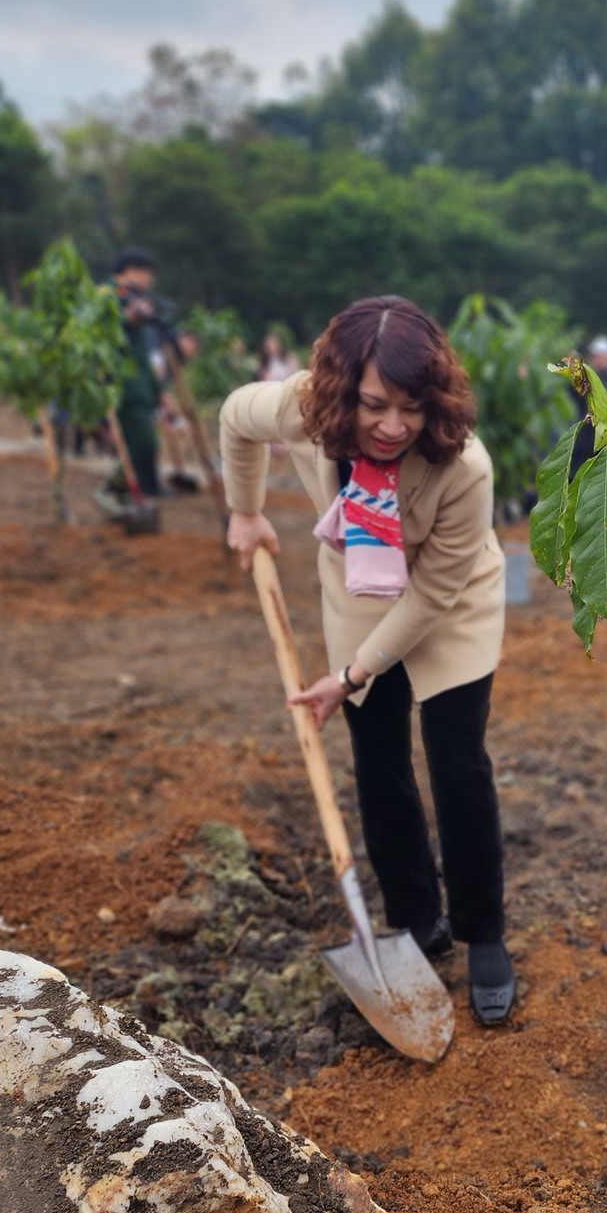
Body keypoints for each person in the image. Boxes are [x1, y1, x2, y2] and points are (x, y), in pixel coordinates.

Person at [220, 296, 515, 1023]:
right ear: (340, 391)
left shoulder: (463, 464)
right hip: (358, 593)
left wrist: (352, 675)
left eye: (411, 409)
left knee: (456, 764)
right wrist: (246, 508)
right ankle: (416, 919)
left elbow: (435, 594)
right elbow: (234, 417)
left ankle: (484, 933)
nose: (392, 427)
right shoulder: (301, 409)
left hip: (451, 605)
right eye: (374, 405)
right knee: (378, 761)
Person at [109, 247, 166, 497]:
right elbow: (99, 330)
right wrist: (126, 318)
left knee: (145, 443)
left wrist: (159, 389)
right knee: (143, 443)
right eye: (145, 274)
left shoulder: (138, 299)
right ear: (130, 271)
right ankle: (113, 486)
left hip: (141, 386)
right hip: (124, 386)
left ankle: (138, 488)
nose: (149, 281)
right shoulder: (108, 296)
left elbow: (143, 355)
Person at [570, 335, 607, 477]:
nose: (595, 359)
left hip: (601, 438)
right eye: (594, 355)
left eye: (599, 356)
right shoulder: (589, 375)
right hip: (583, 437)